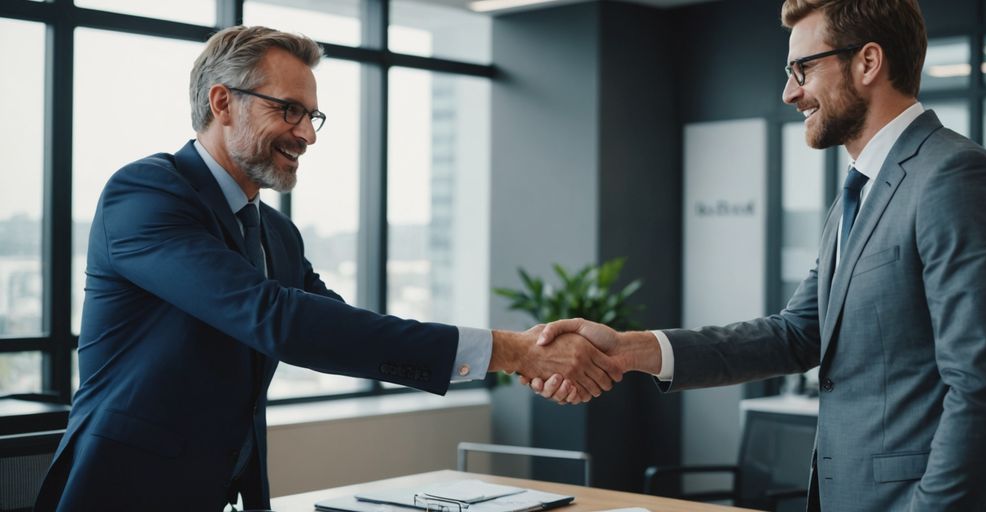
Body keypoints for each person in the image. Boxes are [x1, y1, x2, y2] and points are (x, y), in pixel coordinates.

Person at [34, 26, 622, 512]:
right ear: (222, 102)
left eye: (314, 116)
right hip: (123, 493)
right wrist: (511, 351)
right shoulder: (145, 194)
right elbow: (276, 319)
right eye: (288, 110)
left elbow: (336, 328)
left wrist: (508, 355)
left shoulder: (277, 233)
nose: (307, 135)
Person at [531, 0, 986, 510]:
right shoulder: (859, 193)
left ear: (868, 62)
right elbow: (797, 334)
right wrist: (630, 349)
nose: (790, 92)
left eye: (802, 69)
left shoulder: (955, 176)